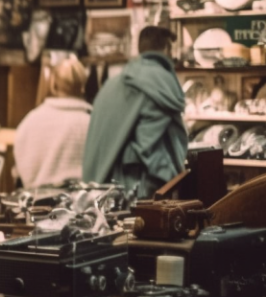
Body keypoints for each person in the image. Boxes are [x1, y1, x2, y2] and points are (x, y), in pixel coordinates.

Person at [82, 26, 187, 198]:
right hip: (140, 195)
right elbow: (151, 149)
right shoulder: (160, 81)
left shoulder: (114, 83)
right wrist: (172, 186)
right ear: (167, 49)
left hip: (103, 191)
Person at [15, 57, 91, 188]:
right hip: (83, 204)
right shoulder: (91, 123)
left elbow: (23, 169)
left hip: (37, 203)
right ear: (82, 86)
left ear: (53, 84)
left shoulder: (30, 121)